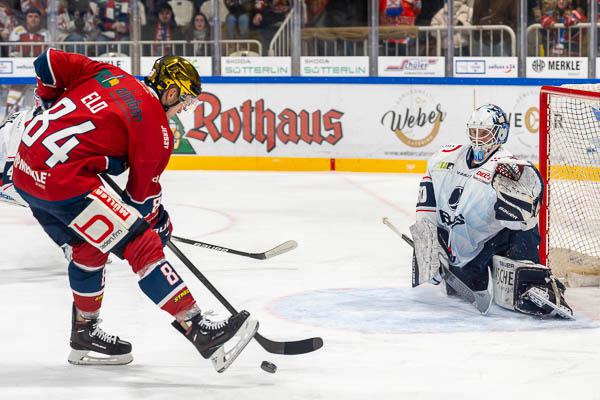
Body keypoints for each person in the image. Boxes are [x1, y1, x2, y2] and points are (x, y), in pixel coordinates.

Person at [12, 49, 258, 368]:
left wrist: (46, 102)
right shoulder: (156, 129)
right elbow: (140, 204)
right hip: (63, 184)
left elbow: (47, 61)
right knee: (142, 245)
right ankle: (198, 329)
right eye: (186, 101)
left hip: (23, 171)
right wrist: (158, 225)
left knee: (88, 247)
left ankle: (85, 334)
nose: (184, 108)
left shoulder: (107, 73)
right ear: (170, 92)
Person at [412, 104, 573, 319]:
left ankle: (531, 279)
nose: (478, 139)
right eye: (474, 132)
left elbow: (527, 217)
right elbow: (426, 205)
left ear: (500, 134)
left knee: (522, 225)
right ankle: (457, 264)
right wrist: (429, 247)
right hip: (460, 251)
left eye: (485, 133)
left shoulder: (508, 166)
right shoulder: (444, 158)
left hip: (493, 244)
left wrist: (522, 182)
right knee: (464, 287)